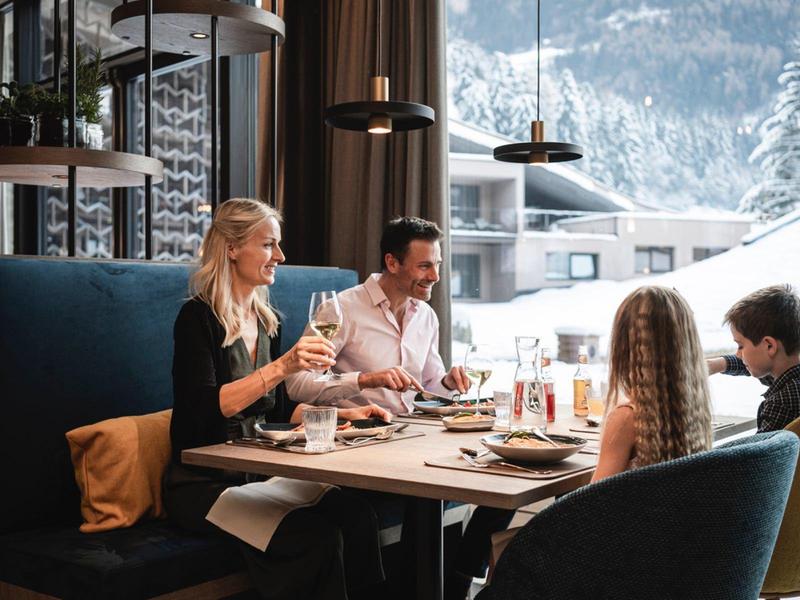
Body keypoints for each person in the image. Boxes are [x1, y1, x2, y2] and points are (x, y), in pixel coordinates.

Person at [164, 198, 389, 600]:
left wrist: (346, 413)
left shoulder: (270, 321)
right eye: (269, 245)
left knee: (357, 516)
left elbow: (279, 411)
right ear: (232, 248)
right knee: (316, 538)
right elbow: (203, 408)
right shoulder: (197, 319)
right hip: (205, 484)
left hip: (258, 472)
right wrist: (283, 366)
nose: (280, 256)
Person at [286, 216, 513, 600]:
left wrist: (446, 383)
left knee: (502, 481)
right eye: (425, 266)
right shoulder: (341, 310)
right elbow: (297, 384)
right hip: (356, 447)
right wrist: (364, 380)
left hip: (409, 439)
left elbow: (427, 385)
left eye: (438, 265)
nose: (435, 276)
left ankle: (455, 581)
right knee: (436, 491)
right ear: (392, 263)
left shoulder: (425, 315)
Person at [592, 285, 712, 482]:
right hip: (671, 512)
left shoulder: (627, 418)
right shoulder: (695, 408)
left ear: (623, 346)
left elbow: (592, 502)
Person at [706, 284, 800, 432]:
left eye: (740, 346)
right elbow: (756, 362)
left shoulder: (782, 403)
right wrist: (718, 364)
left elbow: (762, 455)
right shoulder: (791, 377)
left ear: (769, 346)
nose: (738, 354)